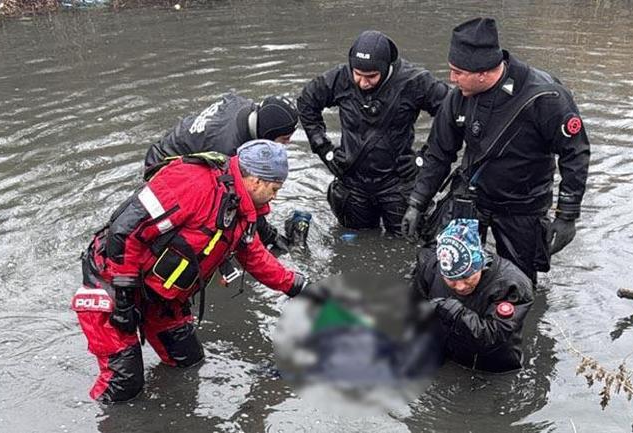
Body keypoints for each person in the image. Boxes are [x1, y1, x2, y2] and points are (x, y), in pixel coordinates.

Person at [71, 140, 318, 403]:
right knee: (124, 385)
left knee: (188, 361)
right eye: (274, 189)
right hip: (112, 281)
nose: (275, 197)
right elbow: (123, 230)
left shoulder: (242, 209)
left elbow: (254, 255)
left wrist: (297, 286)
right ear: (256, 181)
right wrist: (123, 299)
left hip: (161, 296)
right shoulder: (193, 181)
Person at [401, 18, 590, 283]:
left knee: (518, 283)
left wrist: (567, 215)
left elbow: (575, 154)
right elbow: (439, 154)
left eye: (458, 72)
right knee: (451, 273)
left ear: (482, 72)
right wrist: (417, 203)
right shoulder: (458, 98)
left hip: (523, 204)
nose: (452, 79)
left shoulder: (546, 97)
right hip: (473, 195)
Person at [297, 30, 449, 233]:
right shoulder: (340, 78)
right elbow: (306, 102)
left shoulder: (414, 82)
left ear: (386, 68)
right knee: (352, 239)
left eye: (371, 76)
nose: (362, 82)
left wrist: (424, 158)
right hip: (353, 181)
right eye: (357, 74)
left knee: (408, 241)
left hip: (397, 182)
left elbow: (450, 112)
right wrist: (324, 149)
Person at [145, 93, 304, 253]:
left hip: (170, 146)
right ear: (268, 134)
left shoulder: (244, 105)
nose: (287, 143)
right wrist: (271, 236)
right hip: (162, 166)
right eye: (284, 139)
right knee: (219, 216)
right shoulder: (229, 152)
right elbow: (244, 203)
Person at [410, 218, 534, 372]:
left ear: (480, 265)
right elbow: (416, 308)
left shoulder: (512, 285)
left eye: (467, 277)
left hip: (493, 367)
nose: (460, 286)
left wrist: (455, 311)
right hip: (448, 354)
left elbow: (494, 337)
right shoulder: (430, 266)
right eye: (451, 279)